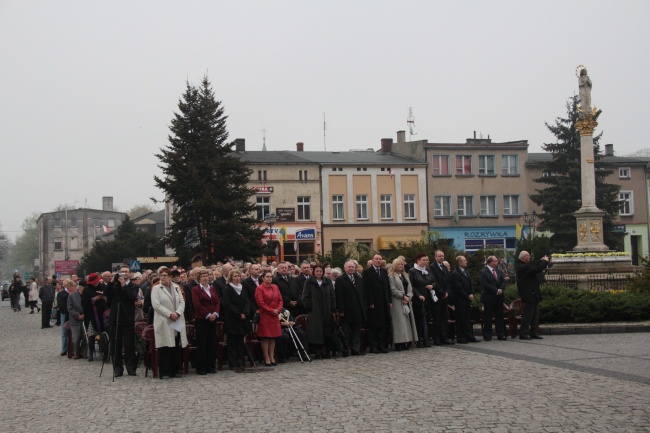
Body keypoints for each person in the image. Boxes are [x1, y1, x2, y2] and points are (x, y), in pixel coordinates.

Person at [151, 267, 188, 379]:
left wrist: (177, 313)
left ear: (170, 277)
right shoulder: (156, 288)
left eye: (165, 276)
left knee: (175, 344)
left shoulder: (176, 288)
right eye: (161, 276)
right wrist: (169, 314)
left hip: (176, 319)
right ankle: (165, 371)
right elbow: (156, 305)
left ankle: (175, 370)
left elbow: (182, 302)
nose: (162, 278)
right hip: (164, 320)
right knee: (165, 345)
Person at [104, 266, 139, 376]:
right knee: (115, 344)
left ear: (130, 274)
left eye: (126, 272)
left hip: (127, 317)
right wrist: (111, 282)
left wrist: (124, 285)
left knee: (129, 344)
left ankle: (131, 367)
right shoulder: (114, 285)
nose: (123, 274)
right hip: (116, 317)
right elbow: (107, 294)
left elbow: (132, 297)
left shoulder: (133, 286)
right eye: (122, 272)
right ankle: (117, 368)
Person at [302, 264, 337, 359]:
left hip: (326, 310)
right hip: (315, 311)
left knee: (326, 331)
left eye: (320, 271)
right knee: (316, 332)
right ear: (313, 272)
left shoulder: (328, 281)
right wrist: (310, 307)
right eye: (317, 271)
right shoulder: (309, 281)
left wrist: (333, 308)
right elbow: (305, 296)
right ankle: (317, 350)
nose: (318, 273)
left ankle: (325, 350)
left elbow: (332, 296)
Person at [191, 269, 220, 375]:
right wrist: (208, 315)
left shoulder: (212, 289)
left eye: (207, 276)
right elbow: (197, 304)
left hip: (213, 318)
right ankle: (201, 367)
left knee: (211, 343)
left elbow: (217, 302)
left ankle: (211, 366)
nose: (205, 277)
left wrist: (215, 313)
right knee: (202, 343)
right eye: (203, 276)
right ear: (199, 278)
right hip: (202, 319)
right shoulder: (196, 289)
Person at [516, 251, 550, 340]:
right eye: (528, 256)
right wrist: (545, 262)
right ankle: (523, 333)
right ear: (524, 257)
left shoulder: (526, 266)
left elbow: (534, 268)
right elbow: (536, 270)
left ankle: (534, 332)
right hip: (528, 294)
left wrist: (540, 261)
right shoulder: (522, 266)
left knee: (535, 315)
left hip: (533, 294)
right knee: (527, 315)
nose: (530, 257)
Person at [335, 260, 366, 356]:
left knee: (356, 331)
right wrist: (341, 310)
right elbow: (339, 296)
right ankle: (345, 349)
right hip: (347, 310)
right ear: (345, 268)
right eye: (349, 267)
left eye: (353, 267)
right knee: (346, 332)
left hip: (358, 309)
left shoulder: (358, 278)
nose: (351, 268)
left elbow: (362, 293)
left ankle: (355, 349)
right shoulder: (340, 279)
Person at [362, 254, 392, 354]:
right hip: (374, 303)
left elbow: (387, 287)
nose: (378, 261)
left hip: (383, 302)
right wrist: (370, 302)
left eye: (380, 259)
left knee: (382, 326)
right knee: (373, 327)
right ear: (372, 260)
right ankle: (373, 346)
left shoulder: (384, 271)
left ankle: (381, 345)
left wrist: (389, 301)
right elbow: (366, 288)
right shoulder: (367, 272)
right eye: (376, 259)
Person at [221, 269, 250, 372]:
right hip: (232, 318)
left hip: (242, 319)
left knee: (240, 341)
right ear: (231, 277)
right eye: (235, 276)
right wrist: (238, 314)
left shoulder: (243, 288)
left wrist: (245, 313)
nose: (237, 278)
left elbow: (247, 302)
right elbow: (227, 304)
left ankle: (241, 362)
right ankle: (233, 363)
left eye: (238, 276)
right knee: (232, 342)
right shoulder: (227, 289)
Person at [388, 258, 418, 351]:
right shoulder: (391, 276)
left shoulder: (406, 275)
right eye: (399, 264)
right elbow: (393, 289)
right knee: (399, 322)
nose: (401, 266)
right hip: (397, 301)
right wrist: (403, 296)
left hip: (407, 301)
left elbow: (410, 288)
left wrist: (408, 296)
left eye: (402, 264)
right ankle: (399, 342)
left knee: (408, 321)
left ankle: (408, 340)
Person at [254, 270, 283, 366]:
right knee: (266, 337)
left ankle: (272, 356)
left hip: (274, 315)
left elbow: (280, 299)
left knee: (273, 337)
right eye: (267, 276)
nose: (269, 278)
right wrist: (271, 310)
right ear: (263, 278)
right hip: (265, 315)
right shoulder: (259, 288)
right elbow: (260, 303)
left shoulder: (275, 287)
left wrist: (278, 310)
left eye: (271, 277)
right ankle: (266, 356)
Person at [450, 255, 479, 344]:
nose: (466, 262)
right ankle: (461, 337)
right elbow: (459, 288)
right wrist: (467, 295)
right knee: (460, 319)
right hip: (460, 300)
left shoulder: (466, 272)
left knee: (467, 319)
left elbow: (470, 284)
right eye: (464, 261)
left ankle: (469, 335)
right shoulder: (455, 273)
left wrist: (471, 293)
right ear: (460, 262)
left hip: (467, 299)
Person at [408, 253, 435, 348]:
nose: (425, 262)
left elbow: (433, 281)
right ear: (418, 261)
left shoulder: (428, 270)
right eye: (423, 260)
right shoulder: (412, 271)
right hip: (418, 299)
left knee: (427, 319)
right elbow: (411, 285)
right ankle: (419, 339)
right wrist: (418, 295)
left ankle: (426, 338)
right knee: (418, 320)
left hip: (428, 298)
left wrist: (432, 286)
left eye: (426, 260)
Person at [479, 256, 507, 341]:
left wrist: (501, 289)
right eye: (495, 261)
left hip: (499, 298)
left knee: (499, 316)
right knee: (488, 317)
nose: (497, 262)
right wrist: (496, 290)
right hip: (489, 298)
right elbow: (485, 284)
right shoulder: (483, 272)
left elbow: (503, 281)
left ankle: (501, 334)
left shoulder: (498, 271)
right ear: (490, 262)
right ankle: (488, 335)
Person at [430, 250, 454, 345]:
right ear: (435, 257)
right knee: (437, 319)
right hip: (437, 296)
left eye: (443, 256)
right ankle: (437, 338)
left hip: (445, 297)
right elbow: (434, 281)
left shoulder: (444, 267)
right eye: (439, 256)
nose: (441, 257)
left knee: (444, 318)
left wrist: (447, 292)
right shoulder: (432, 267)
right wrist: (442, 293)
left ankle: (444, 337)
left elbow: (449, 281)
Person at [67, 282, 87, 359]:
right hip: (75, 319)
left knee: (85, 337)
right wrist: (77, 315)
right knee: (76, 338)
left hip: (85, 318)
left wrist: (85, 315)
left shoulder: (87, 295)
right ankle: (76, 353)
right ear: (79, 288)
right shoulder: (72, 296)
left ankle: (84, 352)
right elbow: (70, 308)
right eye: (82, 289)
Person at [58, 280, 71, 355]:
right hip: (64, 313)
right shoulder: (61, 293)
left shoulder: (73, 292)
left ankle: (71, 348)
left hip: (72, 313)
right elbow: (61, 304)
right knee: (64, 331)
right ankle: (64, 349)